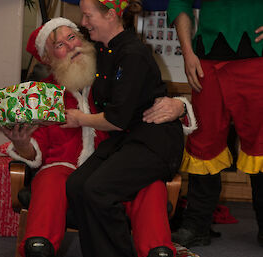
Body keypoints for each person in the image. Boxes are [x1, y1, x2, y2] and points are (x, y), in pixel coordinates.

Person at [2, 17, 194, 257]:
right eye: (60, 45)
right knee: (51, 178)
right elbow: (36, 148)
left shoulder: (113, 75)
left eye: (72, 37)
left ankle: (159, 251)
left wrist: (179, 106)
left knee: (149, 183)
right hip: (66, 169)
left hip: (116, 166)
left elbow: (147, 104)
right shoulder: (42, 95)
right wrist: (21, 144)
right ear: (48, 59)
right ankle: (39, 246)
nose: (71, 46)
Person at [64, 1, 194, 257]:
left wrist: (80, 118)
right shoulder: (103, 50)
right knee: (76, 185)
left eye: (88, 15)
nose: (83, 22)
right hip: (128, 139)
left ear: (111, 15)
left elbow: (116, 119)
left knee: (97, 190)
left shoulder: (132, 54)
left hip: (155, 143)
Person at [145, 0, 263, 248]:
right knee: (203, 142)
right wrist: (187, 53)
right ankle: (196, 226)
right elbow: (180, 3)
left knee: (262, 144)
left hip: (257, 59)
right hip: (205, 62)